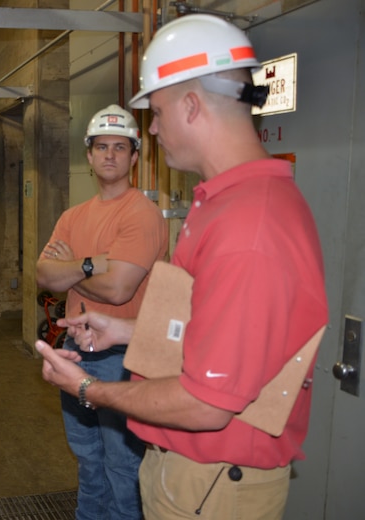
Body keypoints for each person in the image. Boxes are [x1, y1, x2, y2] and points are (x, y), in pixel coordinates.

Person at [35, 14, 327, 520]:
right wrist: (124, 330)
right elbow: (210, 330)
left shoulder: (249, 225)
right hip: (190, 472)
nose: (152, 129)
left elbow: (207, 402)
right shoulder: (222, 204)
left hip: (212, 483)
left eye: (158, 111)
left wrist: (87, 388)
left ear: (191, 105)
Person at [36, 105, 168, 520]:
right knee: (87, 458)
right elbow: (43, 274)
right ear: (89, 155)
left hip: (121, 357)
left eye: (120, 147)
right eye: (101, 147)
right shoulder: (73, 216)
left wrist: (71, 269)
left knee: (121, 463)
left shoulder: (142, 215)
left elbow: (118, 289)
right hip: (76, 349)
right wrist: (92, 263)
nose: (110, 155)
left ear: (133, 157)